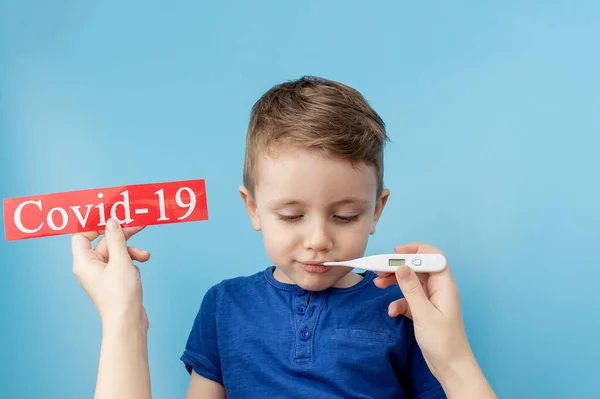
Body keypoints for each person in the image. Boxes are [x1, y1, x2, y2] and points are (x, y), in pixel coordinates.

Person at [71, 76, 497, 399]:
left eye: (345, 216)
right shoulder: (224, 306)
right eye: (292, 215)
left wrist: (454, 354)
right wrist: (122, 315)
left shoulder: (405, 313)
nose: (318, 240)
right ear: (253, 208)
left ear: (376, 211)